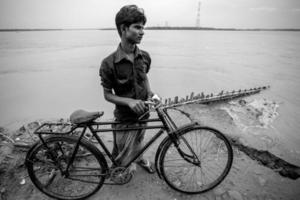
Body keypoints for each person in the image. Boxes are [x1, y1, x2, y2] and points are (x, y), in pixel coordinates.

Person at [99, 5, 158, 174]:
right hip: (124, 119)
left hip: (143, 113)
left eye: (143, 27)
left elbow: (144, 77)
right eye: (137, 27)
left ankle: (139, 157)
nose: (142, 32)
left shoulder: (144, 56)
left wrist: (151, 93)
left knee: (140, 139)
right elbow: (107, 95)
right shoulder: (109, 63)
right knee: (122, 163)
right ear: (123, 29)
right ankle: (124, 164)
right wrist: (129, 101)